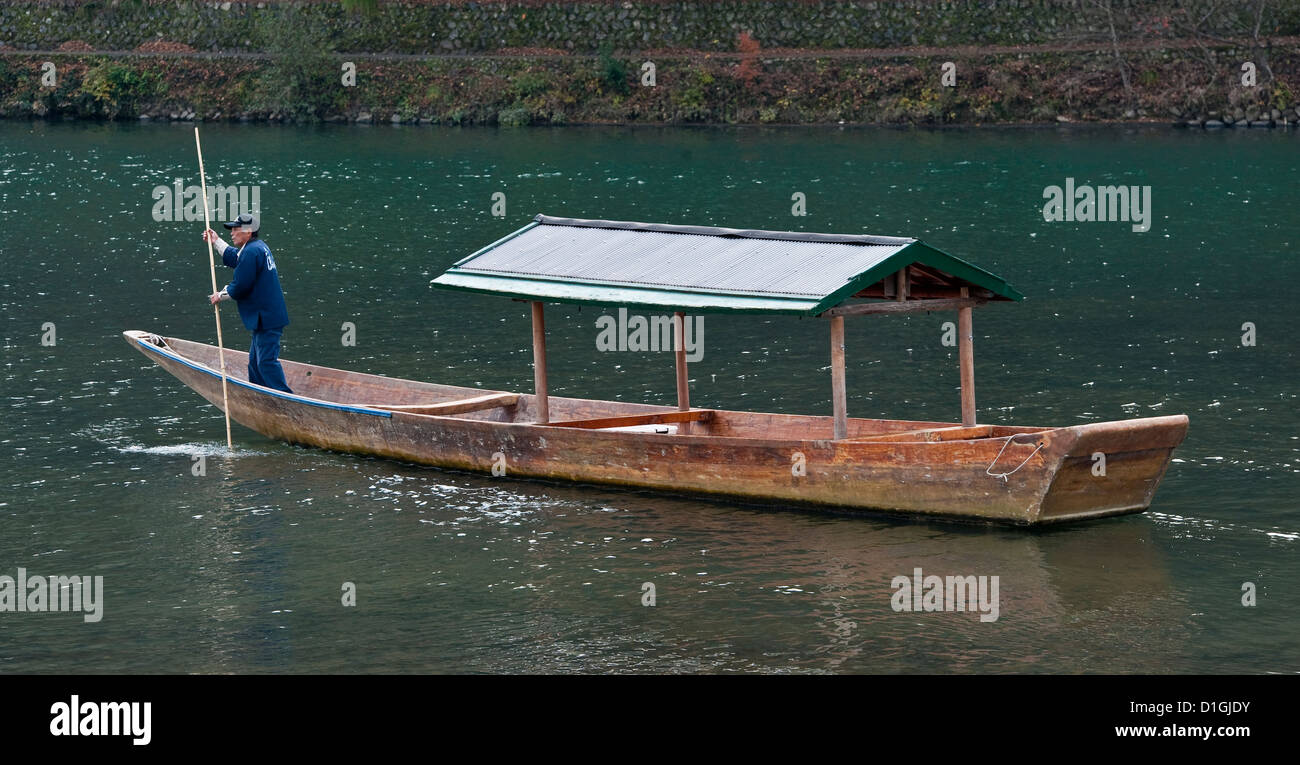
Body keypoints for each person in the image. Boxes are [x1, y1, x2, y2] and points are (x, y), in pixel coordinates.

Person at [203, 213, 293, 393]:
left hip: (267, 317)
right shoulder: (255, 248)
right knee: (254, 362)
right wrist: (216, 241)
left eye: (236, 229)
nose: (232, 233)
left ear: (249, 231)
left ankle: (284, 398)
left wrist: (220, 295)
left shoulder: (252, 251)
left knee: (266, 361)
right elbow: (237, 258)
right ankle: (260, 394)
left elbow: (241, 285)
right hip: (265, 316)